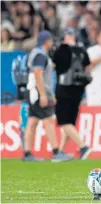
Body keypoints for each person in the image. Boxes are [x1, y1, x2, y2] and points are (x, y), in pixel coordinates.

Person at [23, 30, 72, 162]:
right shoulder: (41, 55)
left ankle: (27, 153)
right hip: (39, 92)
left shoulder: (36, 53)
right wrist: (44, 95)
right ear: (46, 41)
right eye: (51, 40)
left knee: (32, 122)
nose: (52, 43)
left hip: (33, 91)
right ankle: (56, 151)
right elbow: (38, 73)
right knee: (49, 120)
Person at [53, 27, 92, 159]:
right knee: (69, 122)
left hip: (64, 88)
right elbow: (88, 66)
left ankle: (83, 147)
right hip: (78, 89)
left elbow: (53, 65)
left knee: (63, 121)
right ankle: (61, 151)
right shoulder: (82, 50)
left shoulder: (60, 50)